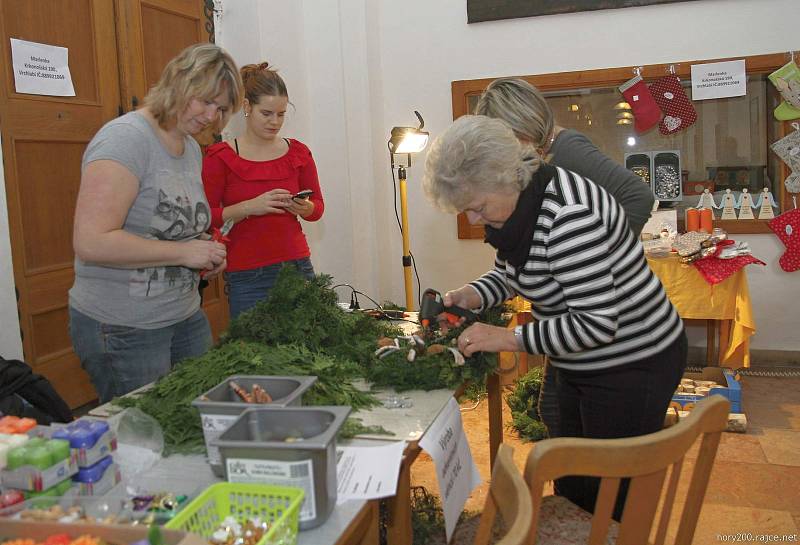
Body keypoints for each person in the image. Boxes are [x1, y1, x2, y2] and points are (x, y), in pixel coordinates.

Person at [424, 115, 687, 518]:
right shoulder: (521, 207)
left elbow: (597, 323)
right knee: (573, 480)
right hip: (580, 358)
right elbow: (516, 270)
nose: (474, 220)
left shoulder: (568, 216)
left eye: (476, 207)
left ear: (507, 177)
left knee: (608, 496)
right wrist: (474, 294)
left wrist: (508, 338)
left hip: (633, 362)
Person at [474, 77, 656, 441]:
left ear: (518, 127)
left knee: (571, 422)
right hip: (572, 322)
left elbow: (638, 197)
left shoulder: (567, 150)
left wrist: (593, 255)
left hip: (605, 332)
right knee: (555, 409)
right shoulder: (540, 162)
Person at [69, 43, 242, 403]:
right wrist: (182, 253)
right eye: (205, 100)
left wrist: (204, 254)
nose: (211, 116)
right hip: (124, 326)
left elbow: (174, 227)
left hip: (182, 315)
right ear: (179, 83)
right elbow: (91, 241)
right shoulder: (126, 140)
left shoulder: (190, 147)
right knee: (143, 438)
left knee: (198, 417)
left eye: (221, 108)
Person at [202, 62, 324, 319]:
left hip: (297, 265)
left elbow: (317, 209)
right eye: (267, 113)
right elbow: (205, 217)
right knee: (255, 354)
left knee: (311, 348)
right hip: (247, 275)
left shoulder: (298, 152)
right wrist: (249, 207)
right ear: (247, 107)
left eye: (281, 114)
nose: (275, 122)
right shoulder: (220, 157)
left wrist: (306, 207)